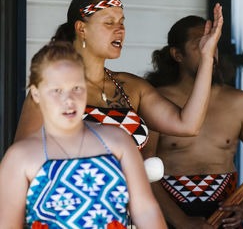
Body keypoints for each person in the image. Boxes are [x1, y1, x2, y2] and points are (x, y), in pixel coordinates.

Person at [14, 0, 223, 150]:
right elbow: (23, 159)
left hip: (125, 205)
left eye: (122, 22)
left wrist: (206, 57)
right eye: (109, 22)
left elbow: (188, 125)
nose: (120, 29)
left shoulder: (133, 87)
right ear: (81, 29)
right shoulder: (52, 89)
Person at [0, 41, 167, 228]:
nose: (69, 100)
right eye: (56, 90)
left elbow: (146, 211)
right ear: (36, 94)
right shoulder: (20, 157)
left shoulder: (117, 140)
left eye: (77, 88)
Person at [142, 15, 243, 229]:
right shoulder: (155, 101)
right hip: (168, 218)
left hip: (226, 217)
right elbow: (142, 168)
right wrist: (181, 221)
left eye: (213, 42)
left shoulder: (240, 102)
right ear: (177, 54)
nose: (209, 49)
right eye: (200, 44)